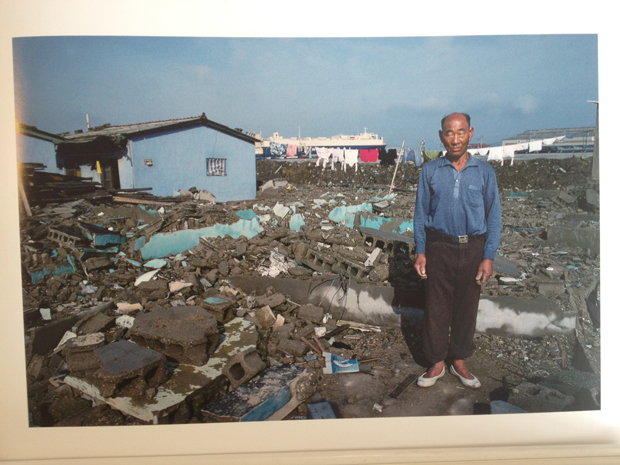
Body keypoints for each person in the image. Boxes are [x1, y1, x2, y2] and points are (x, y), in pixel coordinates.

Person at [413, 112, 501, 388]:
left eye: (461, 132)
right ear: (441, 136)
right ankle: (437, 361)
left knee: (467, 306)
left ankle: (460, 359)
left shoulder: (485, 172)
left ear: (470, 133)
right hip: (439, 246)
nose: (455, 139)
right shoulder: (430, 171)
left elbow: (494, 217)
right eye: (449, 133)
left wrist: (488, 257)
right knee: (436, 307)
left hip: (473, 247)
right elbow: (419, 215)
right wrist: (421, 251)